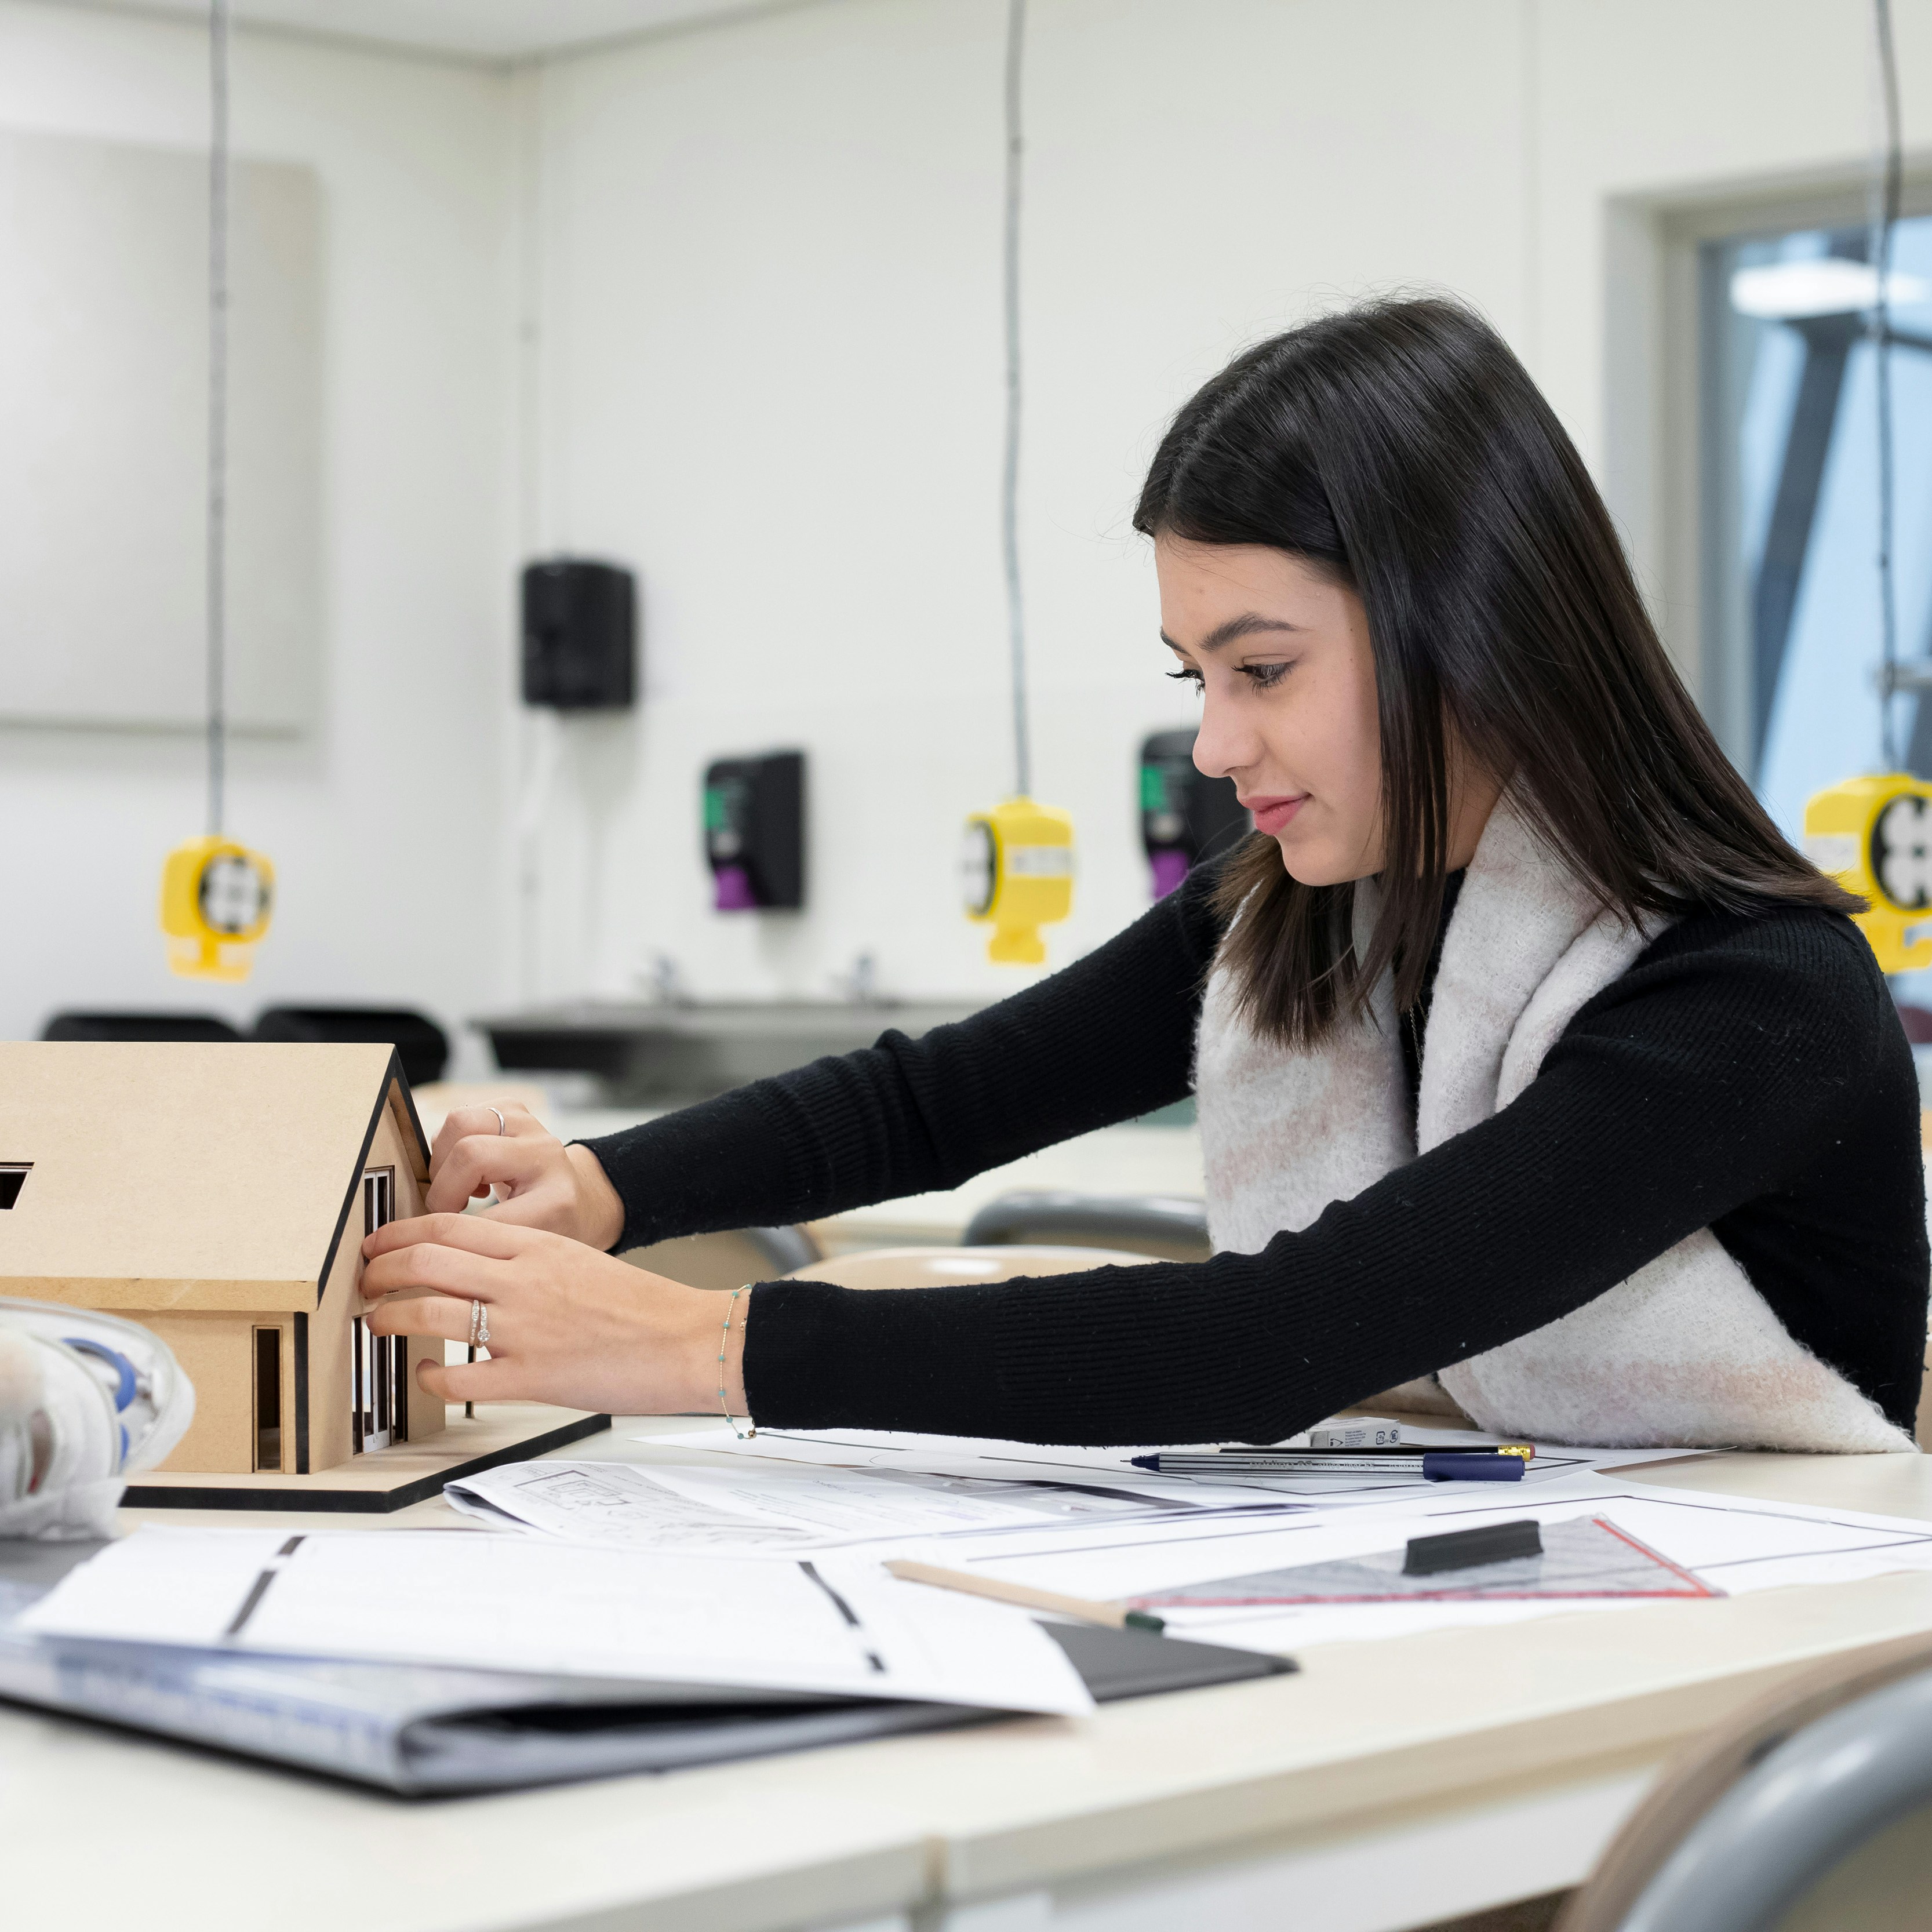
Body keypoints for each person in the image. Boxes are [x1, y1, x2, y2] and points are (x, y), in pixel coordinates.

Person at [363, 297, 1927, 1452]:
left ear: (1475, 628)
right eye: (1197, 673)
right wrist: (611, 1187)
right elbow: (940, 1101)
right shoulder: (1303, 910)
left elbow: (1273, 1340)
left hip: (1770, 1657)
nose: (1214, 743)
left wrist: (707, 1346)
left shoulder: (1748, 994)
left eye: (1261, 668)